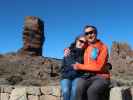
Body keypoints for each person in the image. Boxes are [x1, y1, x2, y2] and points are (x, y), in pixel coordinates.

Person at [72, 25, 110, 100]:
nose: (89, 35)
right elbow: (76, 45)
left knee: (92, 91)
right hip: (87, 76)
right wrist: (68, 49)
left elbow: (99, 67)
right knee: (78, 87)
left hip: (101, 76)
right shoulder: (86, 46)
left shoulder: (103, 47)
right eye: (86, 33)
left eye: (91, 32)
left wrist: (80, 66)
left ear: (96, 33)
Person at [60, 35, 86, 100]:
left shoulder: (85, 54)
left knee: (75, 91)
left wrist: (77, 67)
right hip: (66, 77)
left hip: (78, 77)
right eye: (81, 41)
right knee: (66, 91)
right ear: (76, 41)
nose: (82, 44)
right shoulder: (68, 52)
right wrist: (75, 67)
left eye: (85, 43)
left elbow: (84, 67)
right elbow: (63, 67)